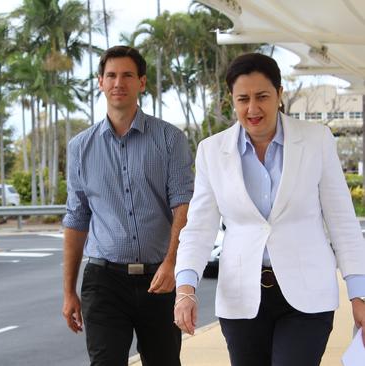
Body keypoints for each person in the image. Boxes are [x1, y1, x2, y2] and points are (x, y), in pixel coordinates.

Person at [173, 52, 365, 365]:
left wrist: (359, 293)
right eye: (243, 98)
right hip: (241, 298)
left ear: (279, 95)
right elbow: (199, 228)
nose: (252, 108)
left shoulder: (317, 140)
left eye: (262, 96)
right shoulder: (211, 151)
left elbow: (342, 220)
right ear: (231, 100)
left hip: (308, 298)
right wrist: (185, 289)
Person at [62, 45, 194, 365]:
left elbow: (183, 205)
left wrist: (171, 263)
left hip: (158, 279)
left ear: (142, 82)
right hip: (104, 281)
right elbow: (76, 218)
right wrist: (68, 291)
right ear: (100, 83)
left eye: (127, 75)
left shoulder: (169, 139)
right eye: (111, 75)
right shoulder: (81, 147)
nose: (118, 82)